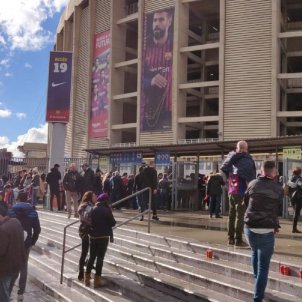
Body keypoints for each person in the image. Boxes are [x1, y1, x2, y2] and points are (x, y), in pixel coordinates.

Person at [244, 161, 283, 302]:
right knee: (264, 267)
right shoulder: (278, 188)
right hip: (267, 229)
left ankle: (256, 280)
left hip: (250, 227)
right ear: (273, 172)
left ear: (261, 171)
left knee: (254, 250)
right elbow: (278, 209)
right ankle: (257, 298)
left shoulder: (252, 184)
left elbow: (245, 201)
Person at [141, 9, 173, 131]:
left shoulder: (174, 44)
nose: (157, 24)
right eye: (155, 20)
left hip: (168, 110)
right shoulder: (145, 47)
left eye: (161, 20)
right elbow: (138, 80)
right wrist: (151, 81)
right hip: (147, 111)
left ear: (169, 21)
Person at [221, 140, 256, 247]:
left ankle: (230, 238)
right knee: (240, 215)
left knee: (231, 214)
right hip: (241, 190)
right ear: (246, 148)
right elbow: (249, 177)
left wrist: (227, 180)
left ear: (237, 148)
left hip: (231, 189)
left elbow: (224, 169)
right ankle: (238, 240)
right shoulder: (247, 159)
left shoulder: (230, 157)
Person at [8, 192, 41, 301]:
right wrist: (32, 241)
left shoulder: (12, 211)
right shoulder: (32, 212)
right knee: (23, 267)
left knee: (12, 267)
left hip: (13, 242)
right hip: (26, 243)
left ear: (17, 199)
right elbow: (37, 229)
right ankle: (20, 293)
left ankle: (8, 291)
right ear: (27, 199)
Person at [84, 193, 116, 288]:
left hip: (93, 236)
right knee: (100, 258)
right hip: (103, 237)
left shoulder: (92, 209)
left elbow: (87, 221)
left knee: (91, 257)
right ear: (106, 201)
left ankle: (87, 278)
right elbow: (112, 223)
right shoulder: (106, 210)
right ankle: (97, 280)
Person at [0, 205, 26, 302]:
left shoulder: (3, 229)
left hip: (4, 268)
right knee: (6, 292)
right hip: (16, 265)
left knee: (3, 295)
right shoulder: (16, 222)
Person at [77, 191, 97, 282]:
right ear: (89, 197)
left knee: (92, 250)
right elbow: (85, 216)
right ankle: (81, 272)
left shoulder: (91, 205)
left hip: (90, 230)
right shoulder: (85, 206)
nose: (96, 197)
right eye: (94, 196)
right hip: (85, 231)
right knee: (84, 252)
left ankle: (89, 264)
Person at [287, 166, 302, 233]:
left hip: (292, 198)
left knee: (296, 212)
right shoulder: (299, 179)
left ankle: (294, 228)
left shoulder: (290, 178)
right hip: (298, 198)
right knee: (296, 213)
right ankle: (294, 228)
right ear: (299, 172)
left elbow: (288, 187)